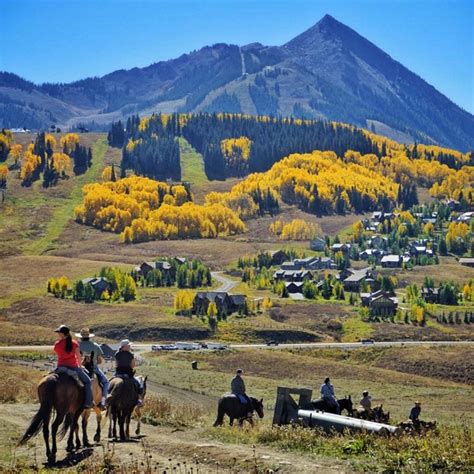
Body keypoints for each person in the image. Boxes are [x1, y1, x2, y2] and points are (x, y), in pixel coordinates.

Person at [53, 325, 93, 409]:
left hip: (61, 367)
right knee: (88, 382)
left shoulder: (57, 344)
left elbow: (58, 354)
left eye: (59, 333)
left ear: (62, 334)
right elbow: (78, 356)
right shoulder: (74, 343)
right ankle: (88, 402)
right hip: (73, 367)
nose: (58, 334)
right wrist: (80, 366)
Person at [75, 327, 109, 409]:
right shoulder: (95, 346)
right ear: (89, 337)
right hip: (93, 368)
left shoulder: (76, 345)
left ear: (81, 337)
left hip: (78, 368)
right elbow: (100, 361)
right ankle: (103, 402)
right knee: (106, 382)